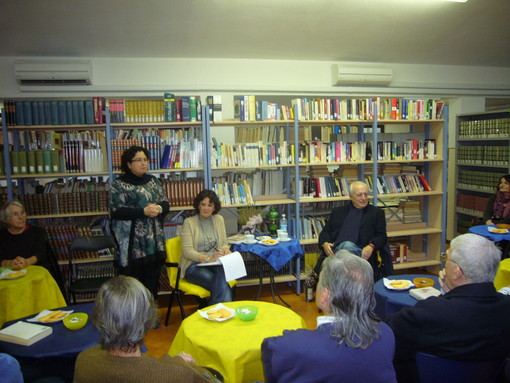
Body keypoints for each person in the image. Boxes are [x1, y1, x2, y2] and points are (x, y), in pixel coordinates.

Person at [386, 233, 510, 383]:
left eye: (447, 258)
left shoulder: (430, 312)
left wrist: (444, 298)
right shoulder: (505, 307)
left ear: (457, 272)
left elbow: (386, 332)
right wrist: (450, 295)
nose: (445, 263)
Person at [261, 250, 397, 383]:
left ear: (325, 295)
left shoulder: (288, 347)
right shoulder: (386, 333)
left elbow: (268, 351)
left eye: (320, 281)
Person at [74, 275, 217, 383]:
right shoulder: (178, 374)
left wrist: (171, 363)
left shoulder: (83, 361)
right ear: (148, 320)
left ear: (99, 316)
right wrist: (184, 366)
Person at [109, 146, 169, 300]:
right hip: (131, 247)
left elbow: (166, 203)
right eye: (138, 160)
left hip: (153, 243)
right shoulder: (118, 185)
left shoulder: (154, 182)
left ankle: (151, 316)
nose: (143, 163)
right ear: (129, 164)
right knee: (132, 288)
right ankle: (133, 320)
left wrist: (159, 208)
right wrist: (143, 212)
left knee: (151, 284)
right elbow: (117, 211)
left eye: (145, 160)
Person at [314, 181, 389, 277]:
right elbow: (325, 232)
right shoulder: (338, 212)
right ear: (351, 196)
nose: (363, 198)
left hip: (361, 253)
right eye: (359, 195)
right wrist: (325, 244)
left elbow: (382, 236)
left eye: (365, 194)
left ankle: (325, 272)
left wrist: (371, 246)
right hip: (335, 250)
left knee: (347, 245)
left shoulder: (376, 213)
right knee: (343, 248)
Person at [180, 189, 233, 305]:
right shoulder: (189, 223)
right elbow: (187, 251)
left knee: (221, 277)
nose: (206, 208)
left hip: (216, 263)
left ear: (214, 207)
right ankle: (223, 313)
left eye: (210, 205)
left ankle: (212, 311)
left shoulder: (219, 219)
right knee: (222, 284)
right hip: (194, 265)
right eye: (203, 204)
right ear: (198, 205)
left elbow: (224, 243)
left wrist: (225, 251)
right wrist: (207, 259)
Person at [0, 200, 49, 270]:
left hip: (34, 270)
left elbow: (41, 254)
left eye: (22, 213)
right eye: (15, 214)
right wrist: (10, 263)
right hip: (9, 273)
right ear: (6, 219)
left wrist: (26, 262)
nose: (21, 217)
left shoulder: (37, 232)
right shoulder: (2, 235)